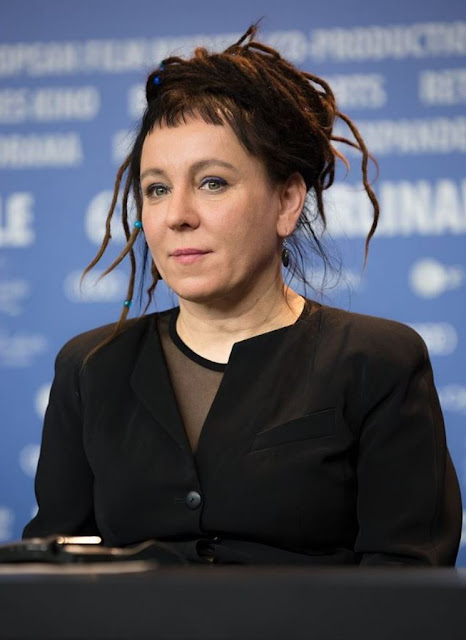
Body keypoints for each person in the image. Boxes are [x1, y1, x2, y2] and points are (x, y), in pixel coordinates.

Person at [23, 25, 461, 565]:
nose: (178, 215)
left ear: (287, 201)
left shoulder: (377, 362)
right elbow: (54, 573)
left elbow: (406, 581)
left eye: (212, 182)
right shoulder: (89, 368)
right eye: (157, 189)